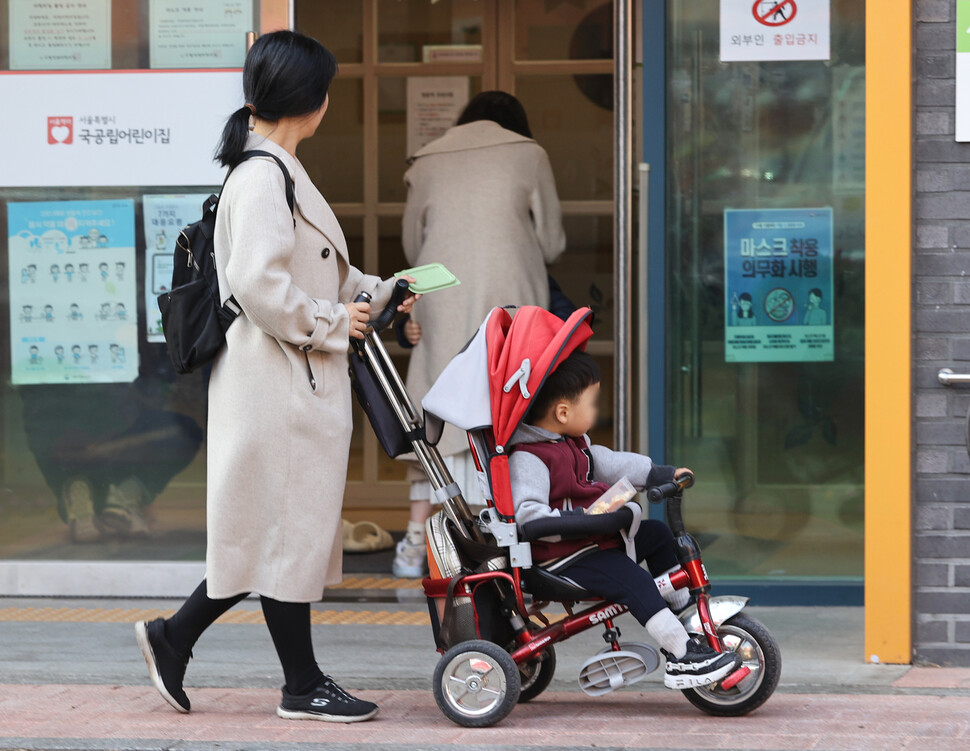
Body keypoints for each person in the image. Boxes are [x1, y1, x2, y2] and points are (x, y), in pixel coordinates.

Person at [135, 31, 418, 724]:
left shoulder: (276, 166)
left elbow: (321, 272)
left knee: (272, 534)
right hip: (277, 381)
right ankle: (297, 683)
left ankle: (179, 641)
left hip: (284, 380)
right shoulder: (264, 177)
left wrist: (383, 293)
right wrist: (333, 322)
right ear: (312, 101)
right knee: (278, 534)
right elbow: (261, 286)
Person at [394, 90, 566, 577]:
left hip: (441, 299)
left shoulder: (426, 161)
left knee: (436, 414)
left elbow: (413, 244)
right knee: (512, 411)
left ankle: (415, 544)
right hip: (510, 305)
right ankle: (514, 539)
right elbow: (553, 242)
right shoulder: (529, 154)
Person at [508, 350, 743, 689]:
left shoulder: (573, 445)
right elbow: (530, 517)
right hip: (561, 559)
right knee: (634, 580)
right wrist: (586, 519)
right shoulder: (529, 458)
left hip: (590, 542)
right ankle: (681, 657)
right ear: (563, 412)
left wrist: (659, 473)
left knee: (657, 534)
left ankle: (685, 618)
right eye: (592, 403)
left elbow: (612, 462)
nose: (596, 411)